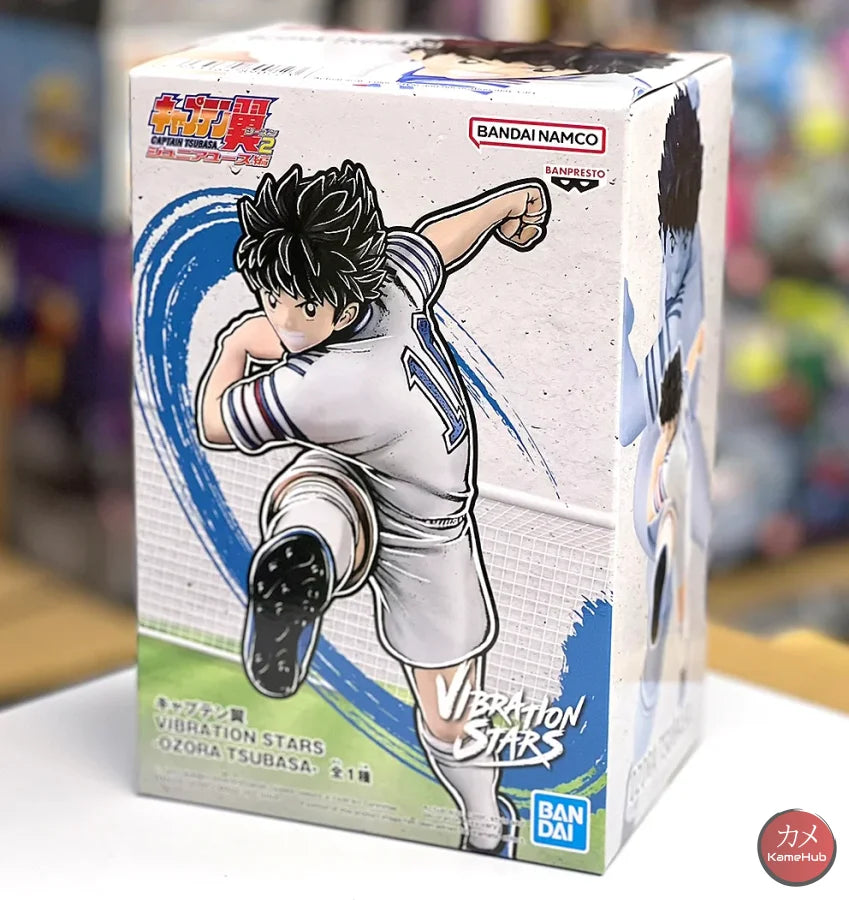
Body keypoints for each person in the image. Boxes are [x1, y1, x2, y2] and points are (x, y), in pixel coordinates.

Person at [197, 160, 552, 856]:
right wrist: (508, 202)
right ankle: (306, 558)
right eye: (272, 297)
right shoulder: (386, 281)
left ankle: (312, 549)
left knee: (448, 713)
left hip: (423, 526)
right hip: (402, 498)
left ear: (343, 294)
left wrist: (234, 342)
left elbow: (214, 421)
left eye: (303, 306)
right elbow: (436, 240)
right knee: (322, 485)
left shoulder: (323, 385)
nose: (284, 320)